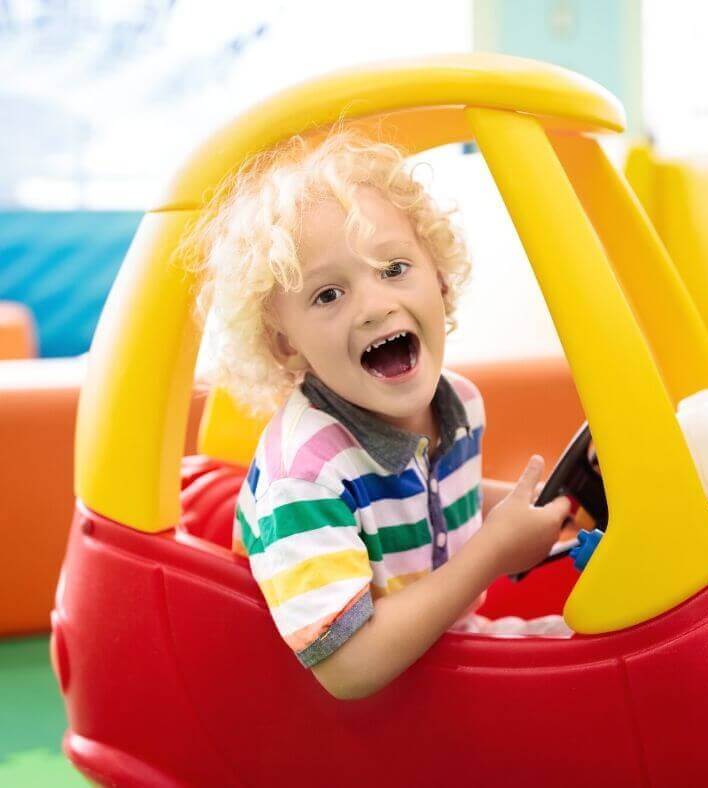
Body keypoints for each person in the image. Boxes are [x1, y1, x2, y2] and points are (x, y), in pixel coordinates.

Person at [184, 129, 573, 701]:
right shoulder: (306, 476)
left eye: (393, 269)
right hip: (367, 700)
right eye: (327, 295)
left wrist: (532, 506)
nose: (375, 305)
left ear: (438, 279)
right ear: (284, 343)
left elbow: (429, 499)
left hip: (446, 648)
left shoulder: (458, 403)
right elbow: (348, 668)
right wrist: (494, 553)